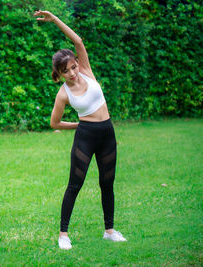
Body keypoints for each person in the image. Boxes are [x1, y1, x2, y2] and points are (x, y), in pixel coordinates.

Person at [34, 10, 127, 250]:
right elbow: (54, 123)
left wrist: (54, 19)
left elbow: (78, 41)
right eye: (67, 71)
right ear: (59, 74)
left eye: (74, 67)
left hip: (107, 132)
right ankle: (63, 235)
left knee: (107, 183)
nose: (73, 73)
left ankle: (109, 230)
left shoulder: (86, 70)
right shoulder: (63, 93)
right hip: (86, 137)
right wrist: (78, 125)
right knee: (75, 184)